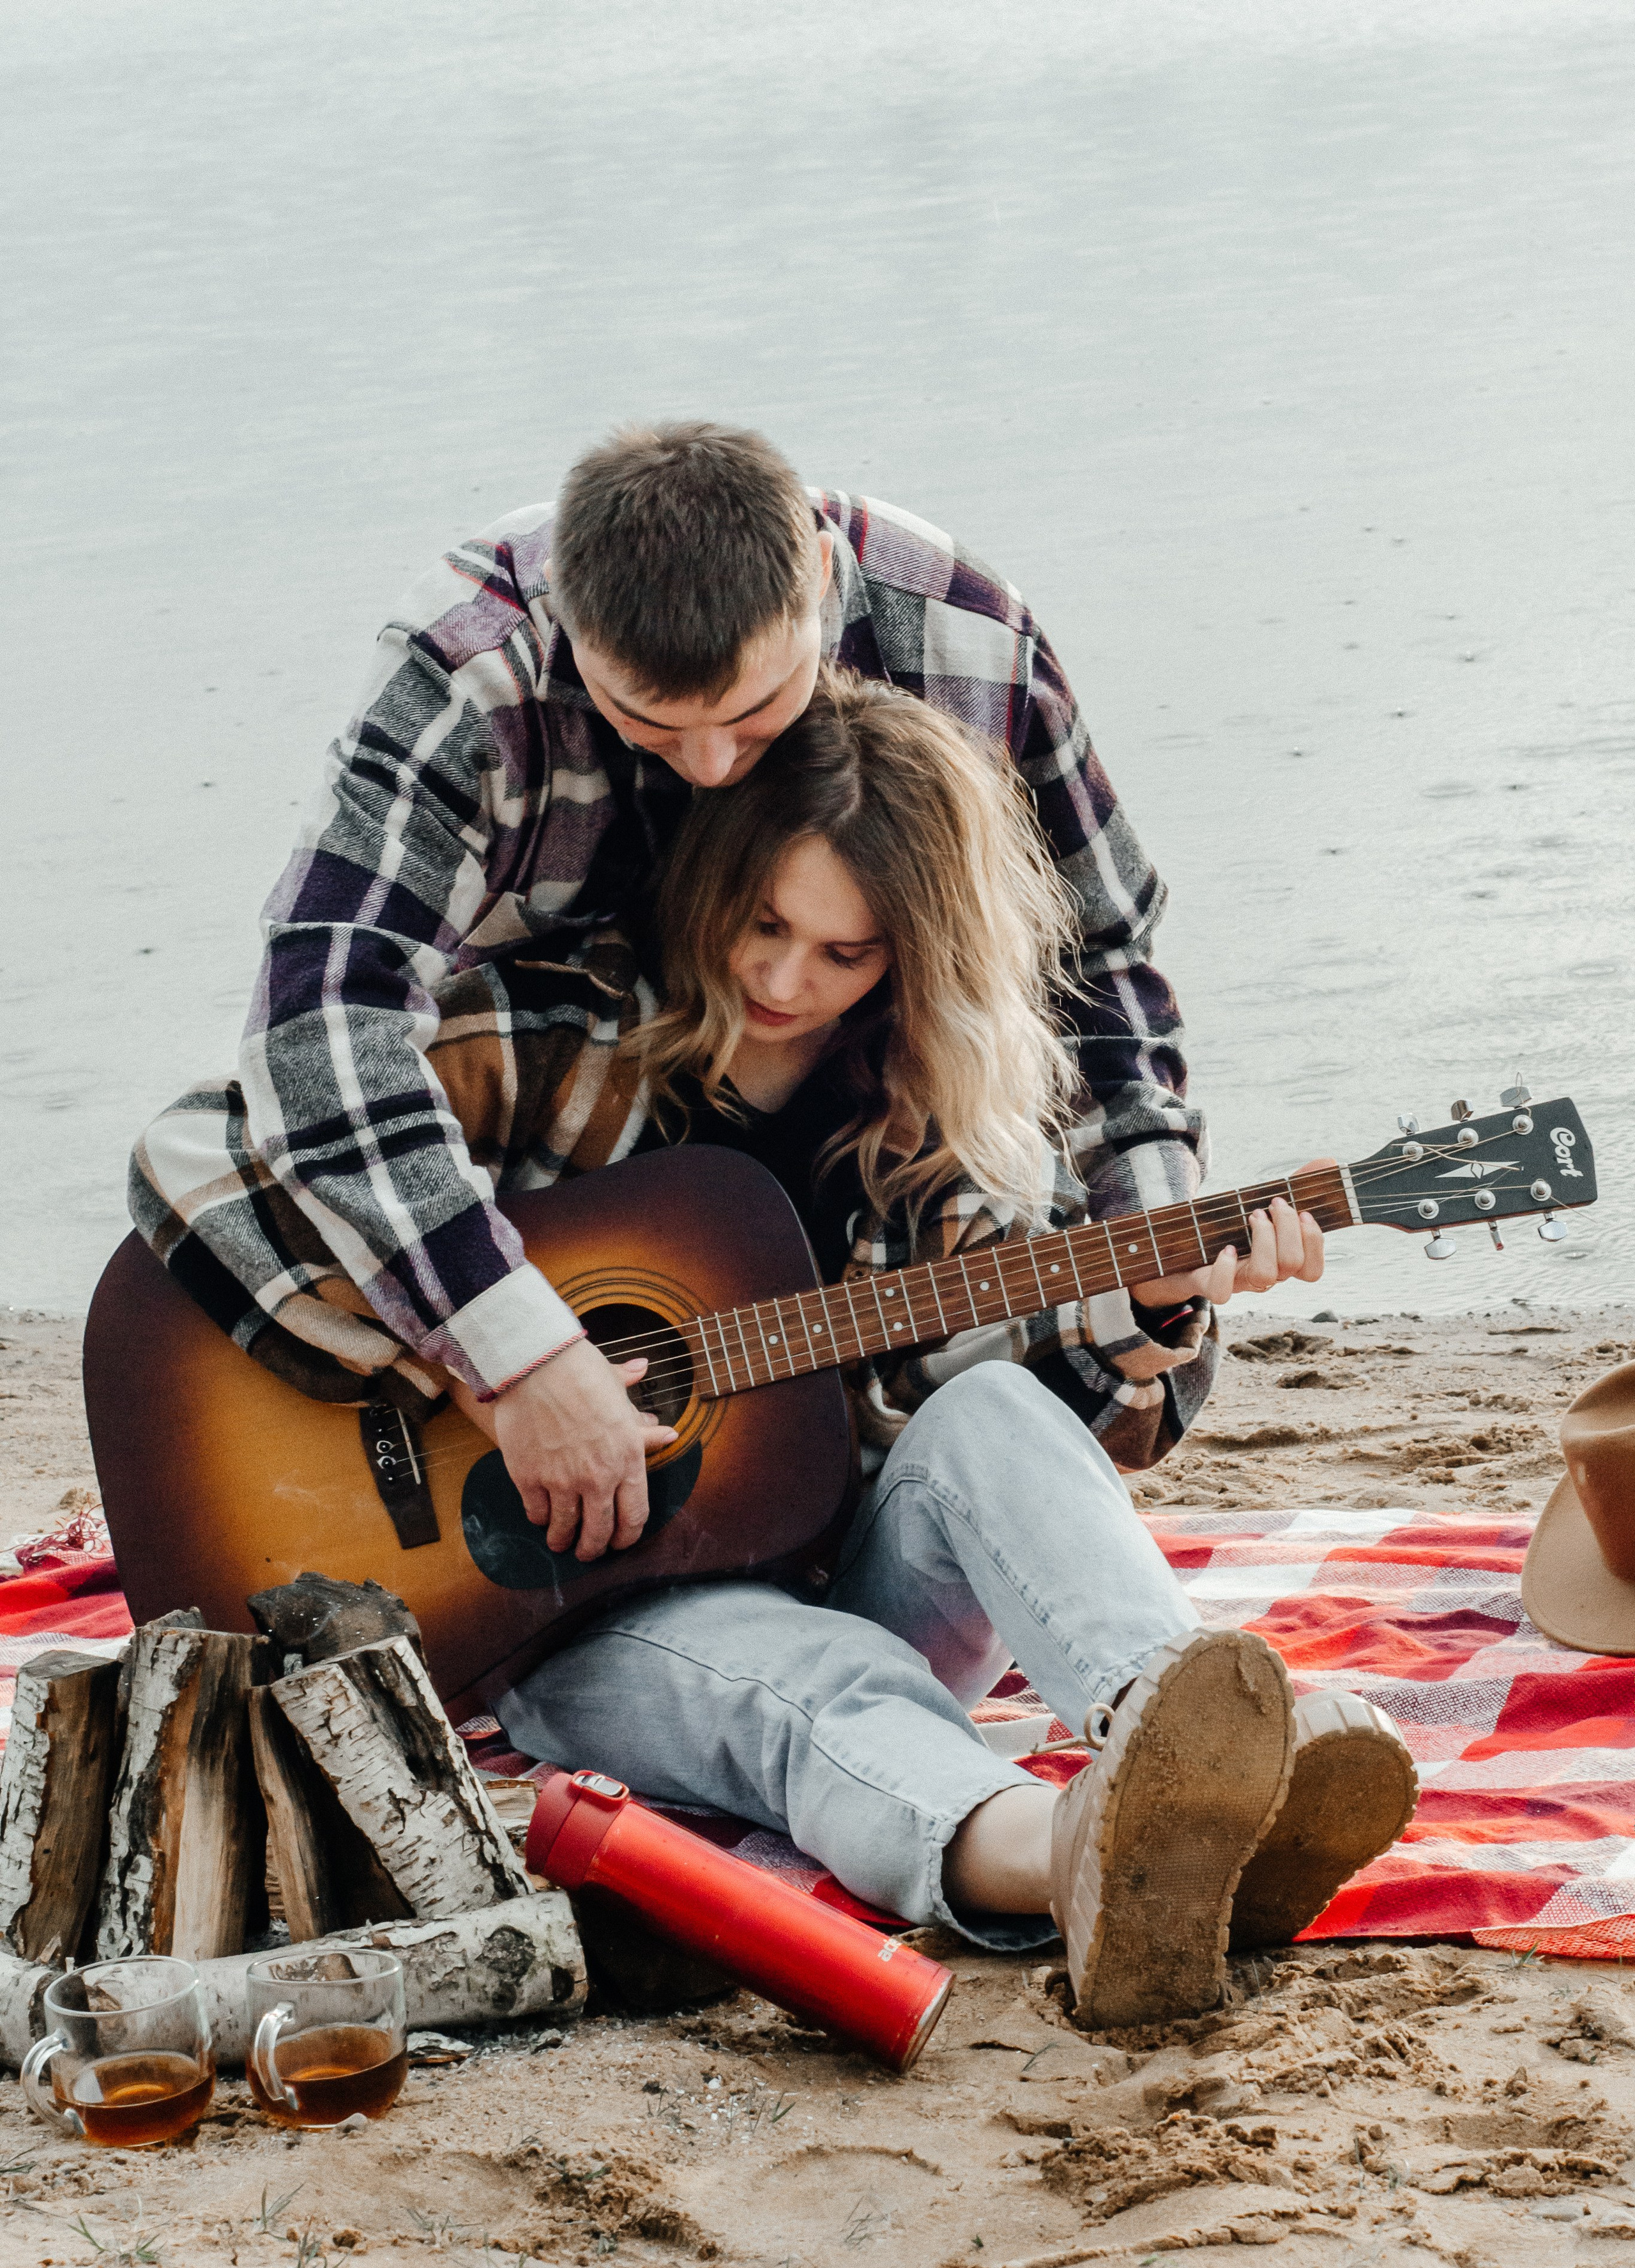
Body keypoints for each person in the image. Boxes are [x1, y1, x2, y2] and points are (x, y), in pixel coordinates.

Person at [134, 671, 1413, 2027]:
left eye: (844, 953)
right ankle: (1074, 1857)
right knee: (812, 1683)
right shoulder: (549, 1039)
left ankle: (1189, 1754)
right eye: (762, 925)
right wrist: (483, 1365)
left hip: (832, 1564)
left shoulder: (936, 1152)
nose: (785, 980)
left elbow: (1037, 1452)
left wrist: (1150, 1314)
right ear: (713, 884)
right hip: (575, 1620)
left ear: (910, 959)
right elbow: (190, 1158)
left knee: (988, 1415)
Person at [131, 421, 1325, 1579]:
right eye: (648, 723)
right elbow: (323, 1026)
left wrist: (1156, 1226)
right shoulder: (467, 680)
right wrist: (507, 1355)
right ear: (566, 622)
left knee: (970, 1392)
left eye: (756, 715)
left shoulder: (967, 643)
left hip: (859, 1148)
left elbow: (1102, 967)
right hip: (544, 1155)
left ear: (816, 577)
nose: (709, 769)